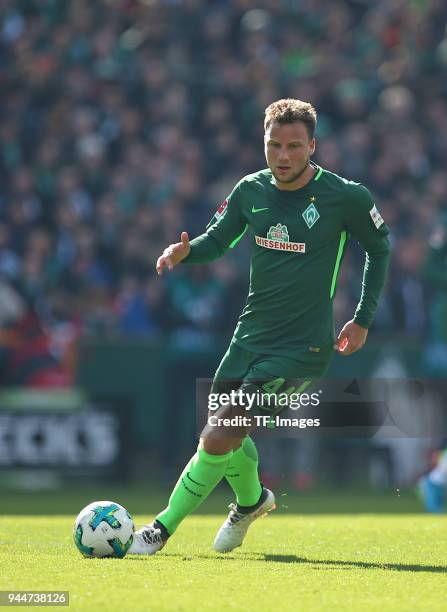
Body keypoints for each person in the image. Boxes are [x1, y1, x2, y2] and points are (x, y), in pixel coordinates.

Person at [129, 98, 391, 555]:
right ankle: (251, 502)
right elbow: (216, 241)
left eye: (294, 146)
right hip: (248, 340)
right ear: (263, 143)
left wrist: (363, 319)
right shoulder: (250, 190)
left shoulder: (345, 196)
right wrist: (187, 251)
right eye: (274, 145)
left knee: (217, 437)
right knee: (224, 436)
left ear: (313, 145)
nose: (283, 155)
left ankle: (158, 531)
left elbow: (380, 250)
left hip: (302, 349)